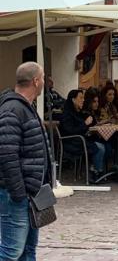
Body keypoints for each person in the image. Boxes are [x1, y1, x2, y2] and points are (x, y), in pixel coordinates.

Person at [0, 62, 54, 261]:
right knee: (11, 251)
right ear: (36, 81)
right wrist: (18, 193)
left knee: (28, 249)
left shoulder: (25, 107)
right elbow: (6, 154)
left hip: (32, 193)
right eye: (43, 77)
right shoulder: (12, 109)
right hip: (16, 195)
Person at [60, 89, 106, 180]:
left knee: (104, 145)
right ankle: (96, 172)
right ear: (73, 100)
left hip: (80, 140)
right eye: (80, 98)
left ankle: (96, 169)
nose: (83, 100)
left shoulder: (78, 113)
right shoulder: (67, 114)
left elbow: (83, 126)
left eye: (83, 98)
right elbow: (70, 130)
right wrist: (85, 124)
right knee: (100, 147)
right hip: (72, 142)